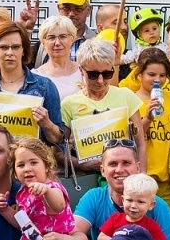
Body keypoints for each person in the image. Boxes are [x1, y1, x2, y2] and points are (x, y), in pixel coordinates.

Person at [0, 21, 65, 146]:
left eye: (16, 47)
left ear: (23, 50)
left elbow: (58, 140)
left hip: (28, 163)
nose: (10, 53)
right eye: (4, 47)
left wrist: (47, 124)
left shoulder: (45, 86)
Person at [62, 40, 145, 171]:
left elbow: (140, 144)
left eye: (107, 74)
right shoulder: (69, 104)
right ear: (81, 70)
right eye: (93, 75)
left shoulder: (126, 96)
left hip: (123, 177)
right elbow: (58, 152)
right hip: (87, 180)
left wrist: (142, 177)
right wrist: (82, 164)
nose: (100, 81)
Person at [131, 48, 170, 206]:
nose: (157, 80)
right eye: (151, 75)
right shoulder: (130, 100)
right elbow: (131, 138)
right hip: (139, 180)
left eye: (162, 75)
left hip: (167, 183)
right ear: (140, 73)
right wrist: (147, 118)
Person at [33, 15, 81, 100]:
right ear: (43, 43)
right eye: (51, 38)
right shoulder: (35, 76)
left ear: (72, 39)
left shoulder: (84, 72)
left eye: (63, 36)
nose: (57, 43)